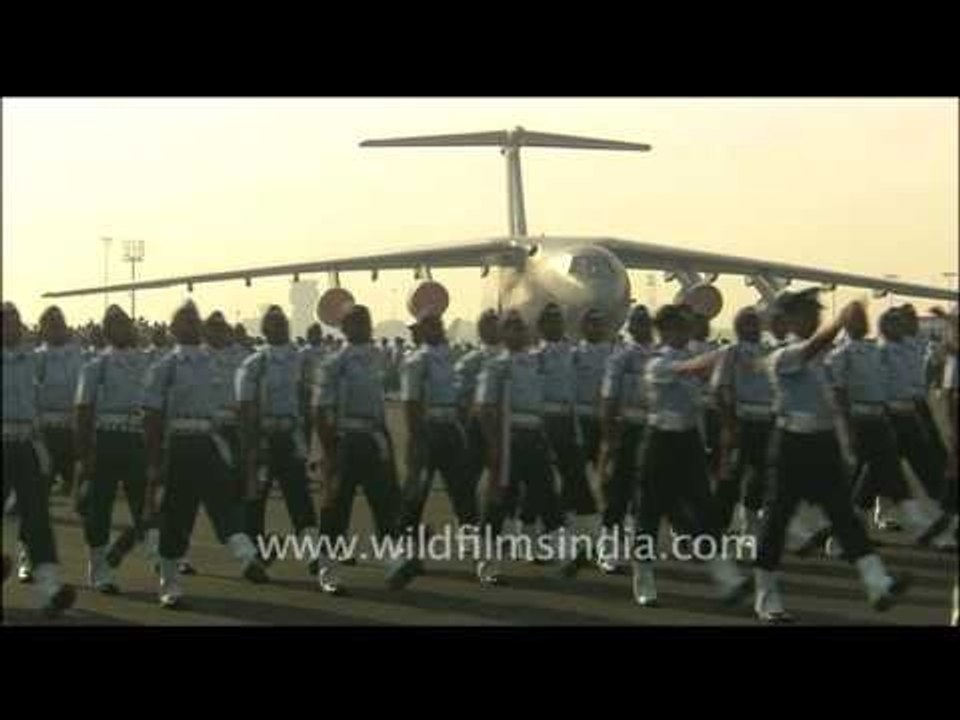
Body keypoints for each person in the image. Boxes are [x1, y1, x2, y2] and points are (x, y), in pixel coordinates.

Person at [753, 290, 911, 623]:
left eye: (817, 314)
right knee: (776, 521)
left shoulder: (822, 358)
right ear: (788, 320)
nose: (815, 319)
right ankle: (766, 596)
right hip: (791, 445)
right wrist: (842, 320)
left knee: (843, 514)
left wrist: (843, 441)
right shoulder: (783, 355)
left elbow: (833, 403)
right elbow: (810, 348)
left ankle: (878, 583)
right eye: (807, 314)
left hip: (821, 444)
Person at [142, 301, 269, 609]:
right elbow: (152, 416)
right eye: (183, 320)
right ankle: (170, 584)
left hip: (212, 441)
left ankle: (247, 558)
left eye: (193, 319)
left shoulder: (217, 362)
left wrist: (246, 442)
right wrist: (155, 459)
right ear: (172, 329)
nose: (190, 324)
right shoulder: (164, 367)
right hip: (179, 443)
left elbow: (239, 405)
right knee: (177, 515)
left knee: (224, 501)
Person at [629, 304, 750, 609]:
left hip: (689, 443)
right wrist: (723, 355)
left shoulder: (691, 357)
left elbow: (708, 388)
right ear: (665, 331)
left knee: (705, 510)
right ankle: (643, 579)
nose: (685, 333)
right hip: (660, 443)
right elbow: (691, 370)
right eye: (678, 328)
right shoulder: (655, 363)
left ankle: (727, 578)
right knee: (649, 515)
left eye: (686, 327)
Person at [312, 304, 419, 595]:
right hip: (345, 439)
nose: (365, 327)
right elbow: (321, 411)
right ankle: (327, 569)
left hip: (372, 439)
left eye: (367, 321)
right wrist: (329, 452)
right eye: (357, 322)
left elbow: (379, 408)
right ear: (344, 327)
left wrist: (386, 443)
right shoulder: (333, 363)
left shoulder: (375, 359)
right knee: (337, 508)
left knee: (385, 503)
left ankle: (393, 562)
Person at [825, 302, 945, 551]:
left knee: (872, 476)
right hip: (861, 420)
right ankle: (920, 523)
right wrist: (846, 429)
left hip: (882, 417)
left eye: (864, 317)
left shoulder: (872, 351)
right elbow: (838, 392)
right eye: (857, 318)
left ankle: (843, 538)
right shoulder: (844, 354)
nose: (863, 322)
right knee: (882, 472)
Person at [473, 310, 565, 586]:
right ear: (502, 333)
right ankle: (487, 563)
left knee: (547, 494)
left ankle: (565, 553)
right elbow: (485, 409)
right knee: (499, 502)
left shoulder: (535, 362)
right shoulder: (496, 365)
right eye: (511, 328)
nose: (517, 332)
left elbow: (541, 405)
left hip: (534, 435)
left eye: (520, 327)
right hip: (509, 437)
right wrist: (494, 446)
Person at [1, 301, 76, 616]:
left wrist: (44, 445)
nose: (11, 328)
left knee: (37, 516)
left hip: (27, 444)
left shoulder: (32, 361)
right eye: (5, 322)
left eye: (15, 322)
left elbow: (41, 403)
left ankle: (50, 589)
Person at [74, 305, 152, 594]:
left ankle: (123, 548)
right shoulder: (95, 366)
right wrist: (85, 454)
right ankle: (99, 570)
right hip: (106, 438)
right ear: (107, 332)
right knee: (100, 508)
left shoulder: (145, 362)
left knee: (146, 508)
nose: (124, 329)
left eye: (126, 323)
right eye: (116, 325)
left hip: (136, 439)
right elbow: (83, 411)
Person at [237, 306, 320, 572]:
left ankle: (312, 554)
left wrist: (305, 441)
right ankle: (256, 554)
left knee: (299, 496)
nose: (280, 327)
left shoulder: (300, 360)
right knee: (255, 499)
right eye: (273, 323)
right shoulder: (254, 363)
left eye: (282, 322)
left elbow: (306, 402)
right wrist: (251, 446)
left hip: (290, 436)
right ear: (264, 330)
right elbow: (246, 408)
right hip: (264, 438)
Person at [398, 311, 478, 570]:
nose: (425, 332)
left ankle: (474, 545)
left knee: (462, 489)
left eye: (433, 327)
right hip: (428, 429)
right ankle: (408, 551)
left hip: (450, 429)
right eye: (425, 328)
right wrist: (416, 439)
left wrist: (462, 427)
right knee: (416, 495)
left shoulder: (449, 357)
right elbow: (411, 403)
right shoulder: (416, 361)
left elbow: (461, 397)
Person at [528, 303, 598, 576]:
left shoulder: (573, 353)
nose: (556, 326)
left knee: (577, 481)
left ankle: (590, 544)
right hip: (545, 422)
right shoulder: (537, 356)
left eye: (558, 321)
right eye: (550, 322)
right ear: (542, 326)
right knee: (541, 486)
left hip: (568, 422)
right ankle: (544, 545)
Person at [879, 308, 956, 550]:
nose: (904, 326)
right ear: (886, 327)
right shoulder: (881, 352)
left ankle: (940, 526)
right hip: (889, 415)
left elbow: (943, 353)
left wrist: (947, 320)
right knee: (875, 472)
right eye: (898, 323)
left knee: (928, 467)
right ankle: (846, 530)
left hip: (911, 411)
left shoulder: (913, 345)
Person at [598, 304, 655, 574]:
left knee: (645, 494)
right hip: (627, 430)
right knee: (618, 493)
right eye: (637, 322)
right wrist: (609, 441)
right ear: (629, 326)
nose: (642, 326)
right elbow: (609, 400)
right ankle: (608, 550)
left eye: (645, 322)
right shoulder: (620, 358)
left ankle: (640, 551)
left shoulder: (660, 357)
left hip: (653, 432)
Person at [711, 306, 774, 539]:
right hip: (741, 421)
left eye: (755, 322)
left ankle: (749, 518)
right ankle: (717, 528)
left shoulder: (769, 351)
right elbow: (720, 389)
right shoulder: (731, 353)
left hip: (766, 422)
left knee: (762, 475)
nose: (753, 327)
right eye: (747, 323)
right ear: (738, 328)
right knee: (730, 478)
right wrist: (729, 425)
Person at [454, 310, 502, 504]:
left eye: (496, 324)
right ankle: (469, 523)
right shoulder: (470, 362)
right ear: (480, 330)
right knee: (468, 479)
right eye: (488, 325)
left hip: (505, 424)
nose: (493, 329)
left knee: (506, 478)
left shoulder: (514, 358)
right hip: (476, 428)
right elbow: (459, 398)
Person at [572, 309, 613, 470]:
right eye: (592, 324)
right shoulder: (575, 354)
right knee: (578, 468)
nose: (596, 328)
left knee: (605, 468)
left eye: (599, 324)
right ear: (583, 327)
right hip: (582, 417)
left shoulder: (613, 353)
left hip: (604, 418)